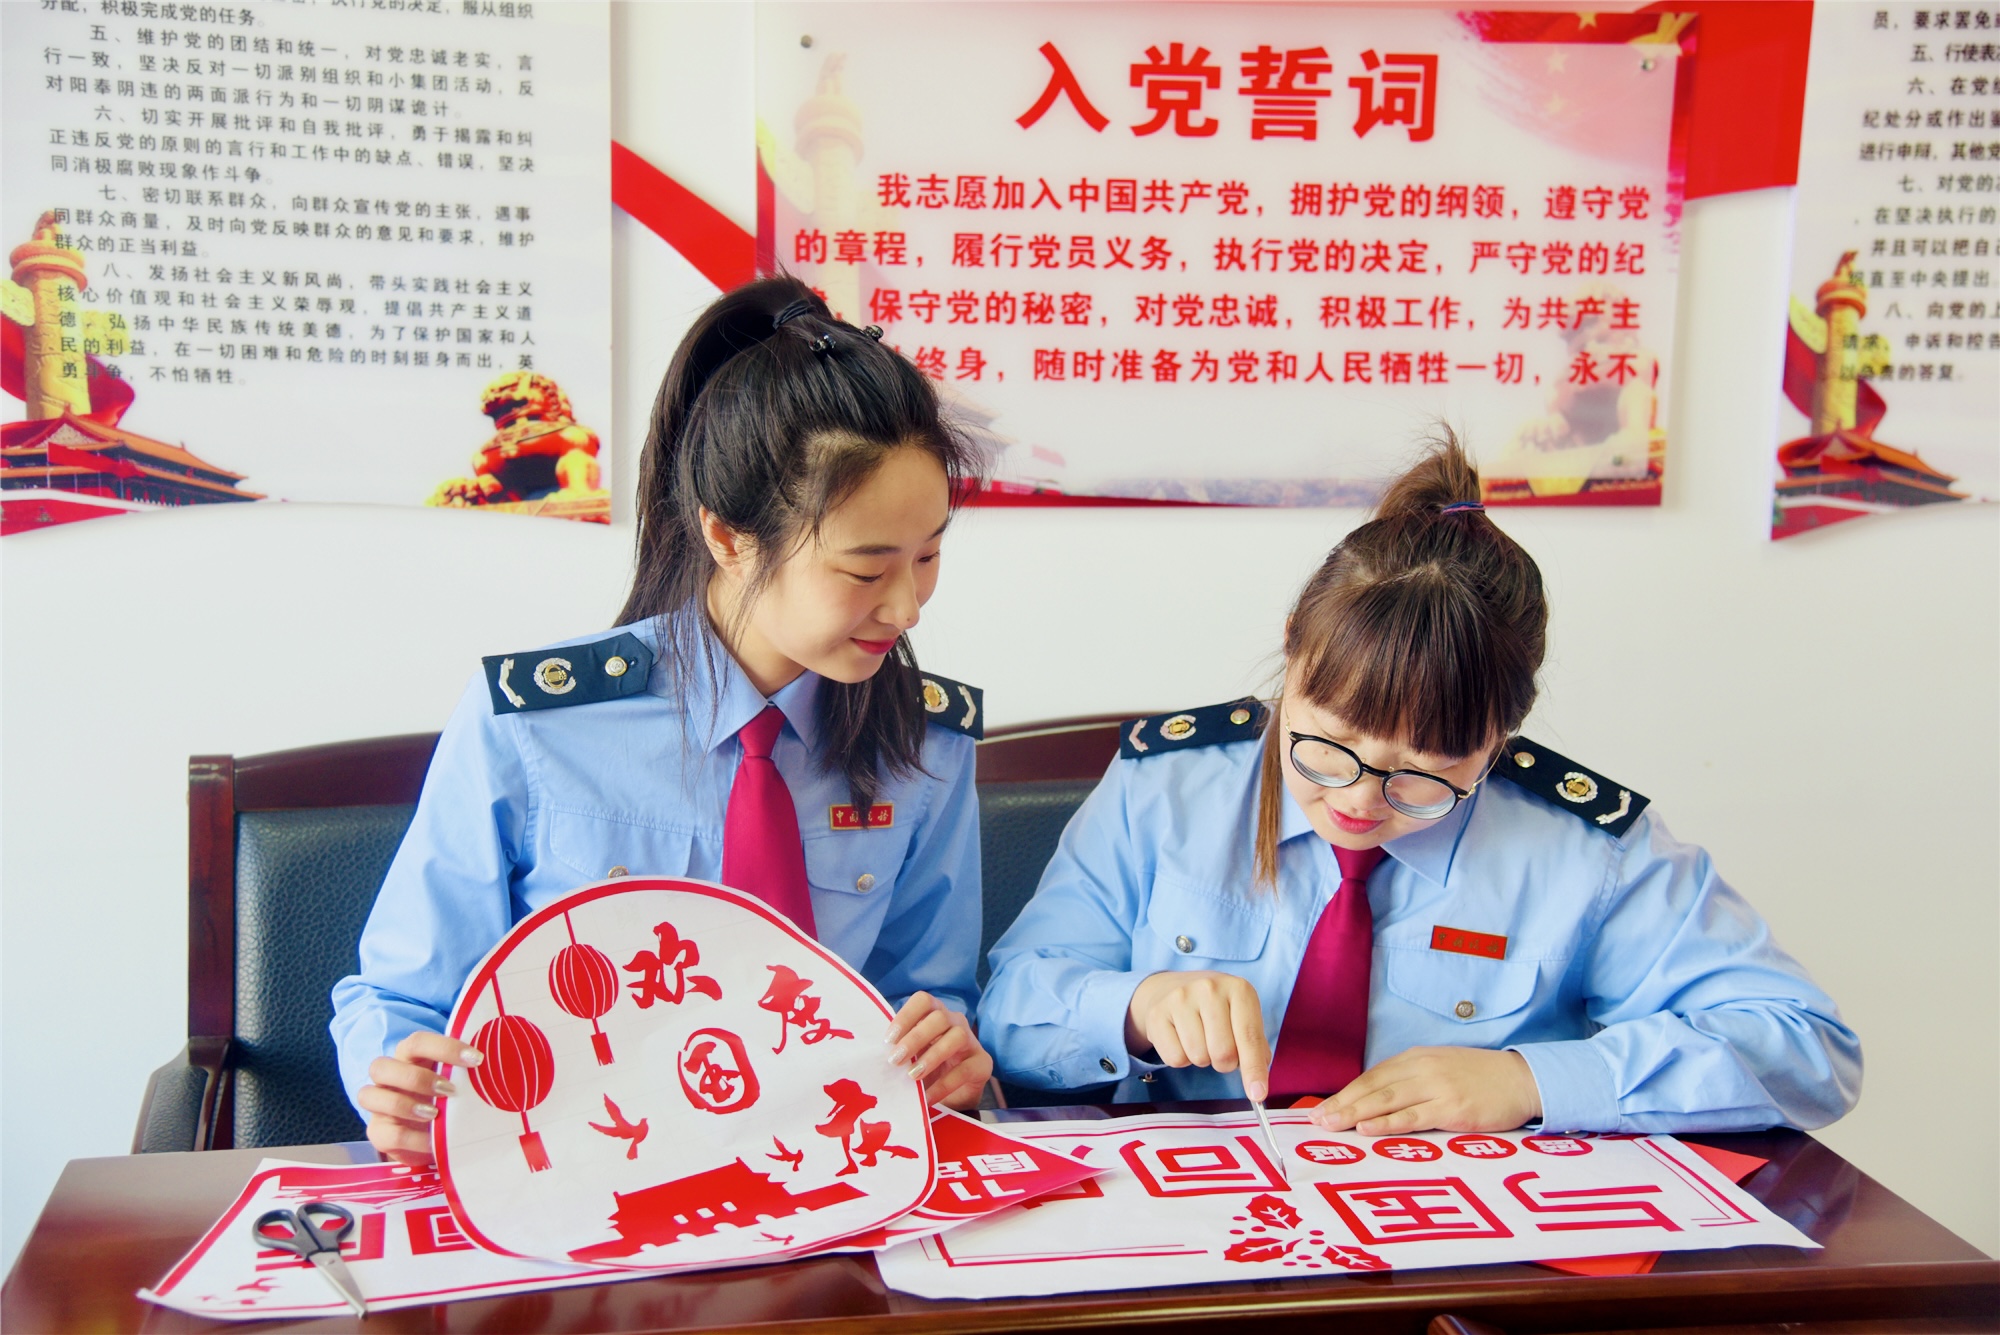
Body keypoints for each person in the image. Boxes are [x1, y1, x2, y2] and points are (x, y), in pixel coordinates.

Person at [979, 434, 1860, 1136]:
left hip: (1453, 1250)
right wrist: (1134, 1006)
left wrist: (1529, 1080)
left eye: (1426, 773)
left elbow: (1808, 1047)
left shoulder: (1584, 848)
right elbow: (1011, 1009)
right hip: (1199, 1228)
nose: (1360, 800)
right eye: (1328, 745)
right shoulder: (1166, 789)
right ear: (1291, 649)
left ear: (1502, 734)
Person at [333, 277, 994, 1164]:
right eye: (866, 569)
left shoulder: (926, 744)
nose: (907, 607)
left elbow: (929, 995)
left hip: (822, 1172)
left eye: (930, 555)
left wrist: (948, 1050)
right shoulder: (535, 726)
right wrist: (394, 1077)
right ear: (729, 537)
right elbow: (398, 1000)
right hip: (583, 1164)